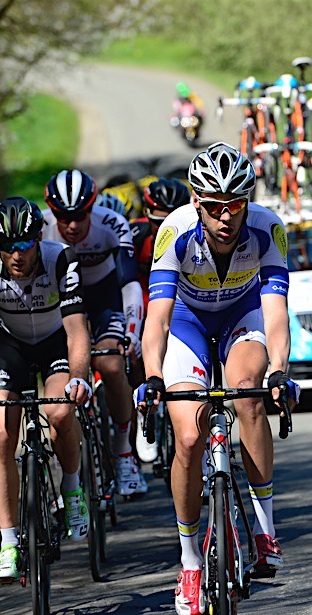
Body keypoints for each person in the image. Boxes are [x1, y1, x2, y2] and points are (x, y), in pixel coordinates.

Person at [138, 142, 298, 615]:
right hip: (187, 322)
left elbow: (276, 315)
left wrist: (279, 369)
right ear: (196, 202)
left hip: (240, 316)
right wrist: (152, 376)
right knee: (188, 437)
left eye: (235, 205)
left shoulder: (268, 229)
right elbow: (157, 319)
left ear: (248, 202)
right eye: (213, 207)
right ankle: (189, 560)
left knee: (249, 394)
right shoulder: (175, 231)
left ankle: (265, 530)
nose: (225, 217)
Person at [0, 196, 92, 583]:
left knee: (61, 411)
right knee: (3, 430)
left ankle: (72, 490)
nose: (16, 255)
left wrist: (79, 376)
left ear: (39, 239)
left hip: (54, 343)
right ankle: (8, 543)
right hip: (9, 348)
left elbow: (77, 331)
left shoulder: (61, 259)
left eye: (23, 245)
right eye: (7, 246)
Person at [41, 168, 148, 497]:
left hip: (103, 297)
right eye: (63, 217)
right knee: (57, 378)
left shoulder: (112, 224)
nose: (72, 225)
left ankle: (124, 453)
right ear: (52, 212)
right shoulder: (41, 227)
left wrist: (132, 333)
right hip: (60, 303)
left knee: (112, 365)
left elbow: (129, 284)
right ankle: (65, 462)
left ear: (92, 208)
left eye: (80, 216)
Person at [128, 177, 192, 463]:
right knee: (137, 349)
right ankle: (145, 409)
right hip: (144, 300)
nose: (168, 227)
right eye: (159, 221)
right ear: (146, 215)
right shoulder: (136, 236)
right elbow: (126, 284)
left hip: (180, 301)